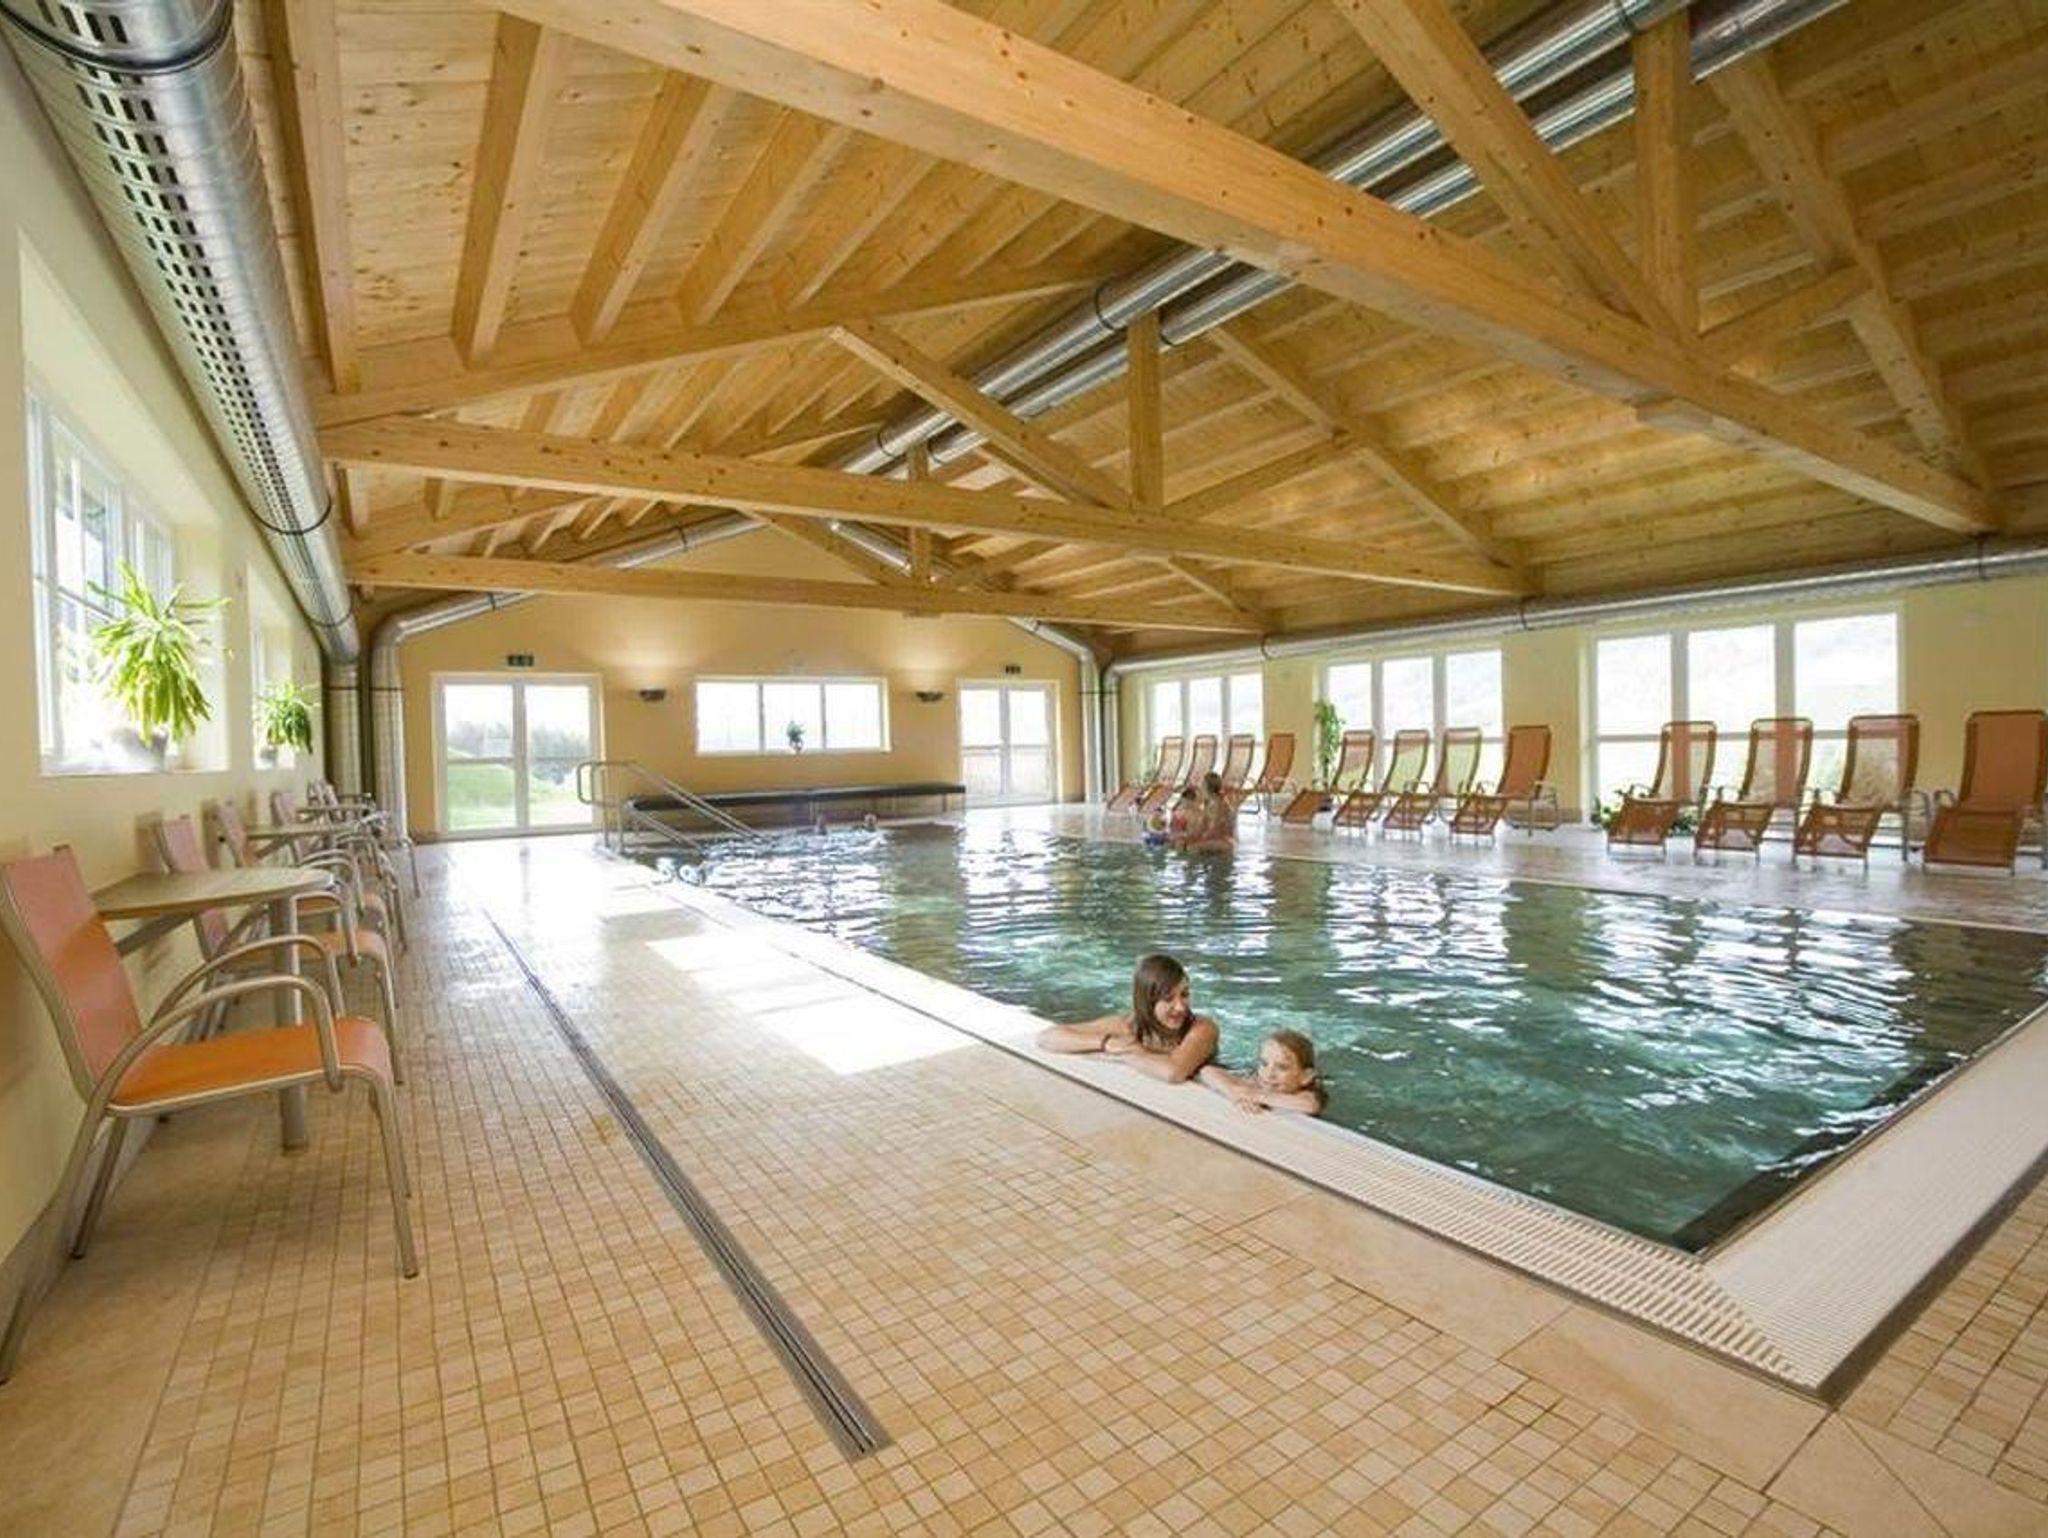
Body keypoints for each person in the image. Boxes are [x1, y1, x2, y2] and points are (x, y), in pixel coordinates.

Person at [1036, 953, 1219, 1083]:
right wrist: (1105, 1043)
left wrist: (1125, 1055)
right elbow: (1047, 1038)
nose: (1180, 1006)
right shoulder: (1127, 1026)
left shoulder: (1202, 1028)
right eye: (1168, 999)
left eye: (1184, 994)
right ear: (1147, 1001)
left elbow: (1173, 1072)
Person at [1198, 1029, 1326, 1116]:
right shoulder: (1257, 1082)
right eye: (1264, 1064)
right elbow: (1207, 1071)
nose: (1269, 1074)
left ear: (1305, 1076)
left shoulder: (1306, 1094)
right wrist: (1234, 1093)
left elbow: (1310, 1106)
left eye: (1282, 1067)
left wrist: (1255, 1096)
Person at [1172, 771, 1236, 853]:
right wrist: (1187, 838)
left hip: (1224, 842)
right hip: (1214, 838)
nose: (1200, 787)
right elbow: (1203, 827)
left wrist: (1196, 839)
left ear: (1208, 787)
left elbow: (1215, 829)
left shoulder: (1219, 804)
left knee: (1192, 848)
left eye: (1203, 784)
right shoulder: (1209, 803)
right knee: (1180, 844)